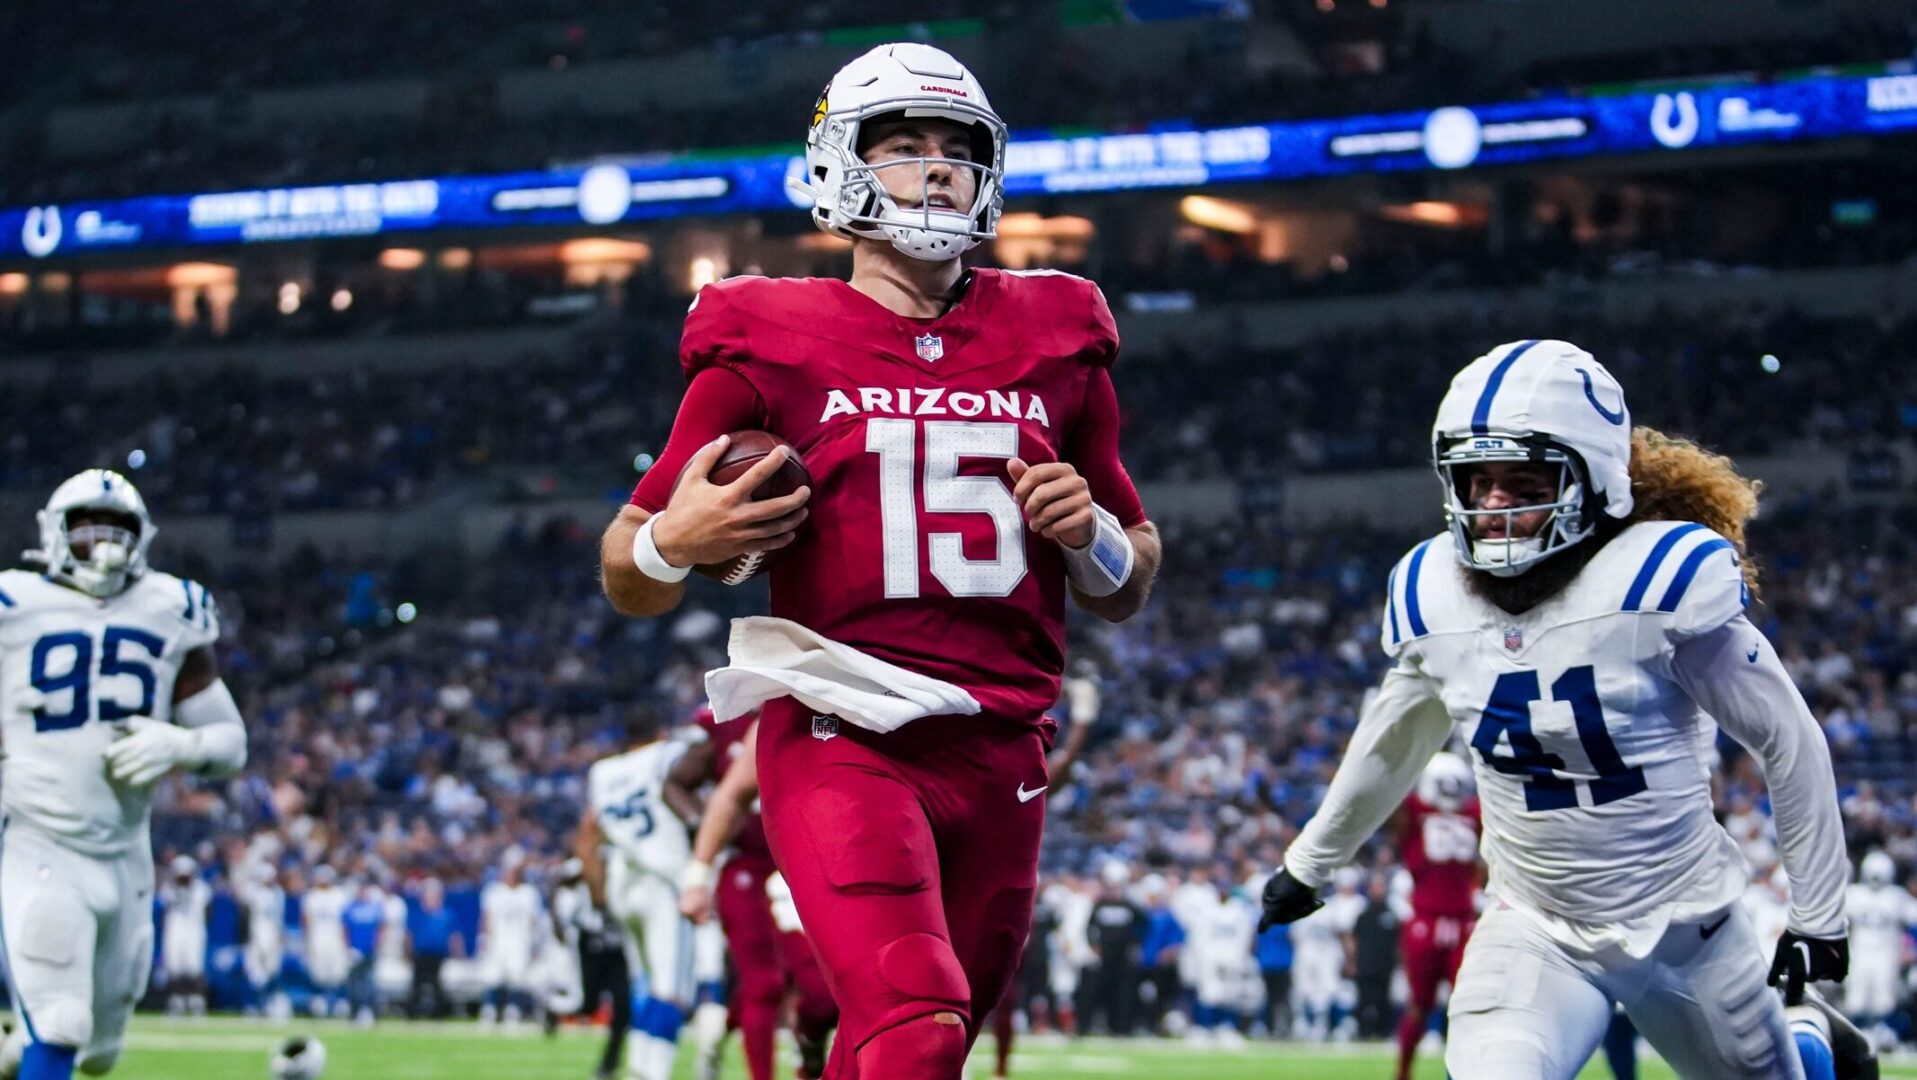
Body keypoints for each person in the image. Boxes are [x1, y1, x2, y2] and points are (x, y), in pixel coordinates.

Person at [597, 41, 1159, 1079]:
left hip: (1004, 747)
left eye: (958, 148)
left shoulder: (1059, 328)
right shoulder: (767, 333)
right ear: (839, 166)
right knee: (917, 1019)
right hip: (839, 727)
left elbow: (1129, 586)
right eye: (905, 146)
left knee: (899, 1047)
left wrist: (1093, 536)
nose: (939, 168)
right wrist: (679, 539)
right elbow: (627, 566)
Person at [1258, 340, 1866, 1079]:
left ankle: (1806, 1040)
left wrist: (1817, 917)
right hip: (1535, 926)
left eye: (1522, 480)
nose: (1493, 504)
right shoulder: (1432, 593)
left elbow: (1788, 738)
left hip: (1686, 926)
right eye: (1477, 480)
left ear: (1595, 480)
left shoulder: (1656, 581)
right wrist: (1310, 861)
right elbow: (1395, 738)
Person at [0, 470, 247, 1080]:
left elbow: (231, 742)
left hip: (127, 849)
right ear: (55, 535)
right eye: (87, 532)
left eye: (117, 532)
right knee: (60, 1022)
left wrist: (181, 742)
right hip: (39, 837)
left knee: (99, 1054)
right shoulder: (12, 604)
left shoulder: (171, 608)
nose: (103, 546)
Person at [676, 716, 837, 1080]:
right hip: (747, 866)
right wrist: (699, 855)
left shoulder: (826, 703)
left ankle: (732, 1029)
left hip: (808, 865)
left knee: (823, 991)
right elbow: (684, 783)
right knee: (764, 984)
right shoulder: (727, 721)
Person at [576, 707, 697, 1080]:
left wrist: (599, 897)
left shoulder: (603, 772)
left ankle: (639, 1069)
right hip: (661, 880)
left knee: (645, 984)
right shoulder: (666, 754)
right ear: (658, 733)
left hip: (621, 883)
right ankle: (653, 1074)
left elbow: (588, 836)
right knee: (670, 990)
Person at [1393, 751, 1482, 1078]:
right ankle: (1403, 1073)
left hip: (1459, 918)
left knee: (1468, 1005)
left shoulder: (1468, 813)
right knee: (1421, 1003)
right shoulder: (1420, 813)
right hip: (1431, 916)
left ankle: (1461, 1071)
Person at [478, 860, 543, 1026]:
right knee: (493, 975)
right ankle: (490, 1009)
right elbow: (486, 917)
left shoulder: (528, 893)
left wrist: (533, 942)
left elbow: (533, 919)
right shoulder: (494, 892)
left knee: (517, 976)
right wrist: (484, 938)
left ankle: (513, 1009)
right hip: (498, 940)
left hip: (519, 941)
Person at [159, 855, 211, 1016]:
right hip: (175, 929)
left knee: (194, 967)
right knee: (174, 966)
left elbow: (208, 911)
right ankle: (177, 1000)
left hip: (193, 930)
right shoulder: (169, 889)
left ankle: (197, 1000)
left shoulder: (202, 889)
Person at [405, 876, 462, 1020]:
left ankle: (438, 1013)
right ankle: (413, 1012)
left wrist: (458, 952)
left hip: (438, 954)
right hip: (421, 953)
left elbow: (454, 936)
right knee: (417, 984)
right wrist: (407, 952)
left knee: (437, 984)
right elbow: (409, 935)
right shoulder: (417, 914)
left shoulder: (446, 914)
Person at [301, 866, 350, 1018]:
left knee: (338, 972)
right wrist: (307, 940)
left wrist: (346, 941)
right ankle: (319, 1001)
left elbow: (344, 922)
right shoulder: (311, 896)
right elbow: (307, 921)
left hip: (335, 938)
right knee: (318, 972)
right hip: (318, 937)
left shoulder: (340, 895)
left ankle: (339, 1002)